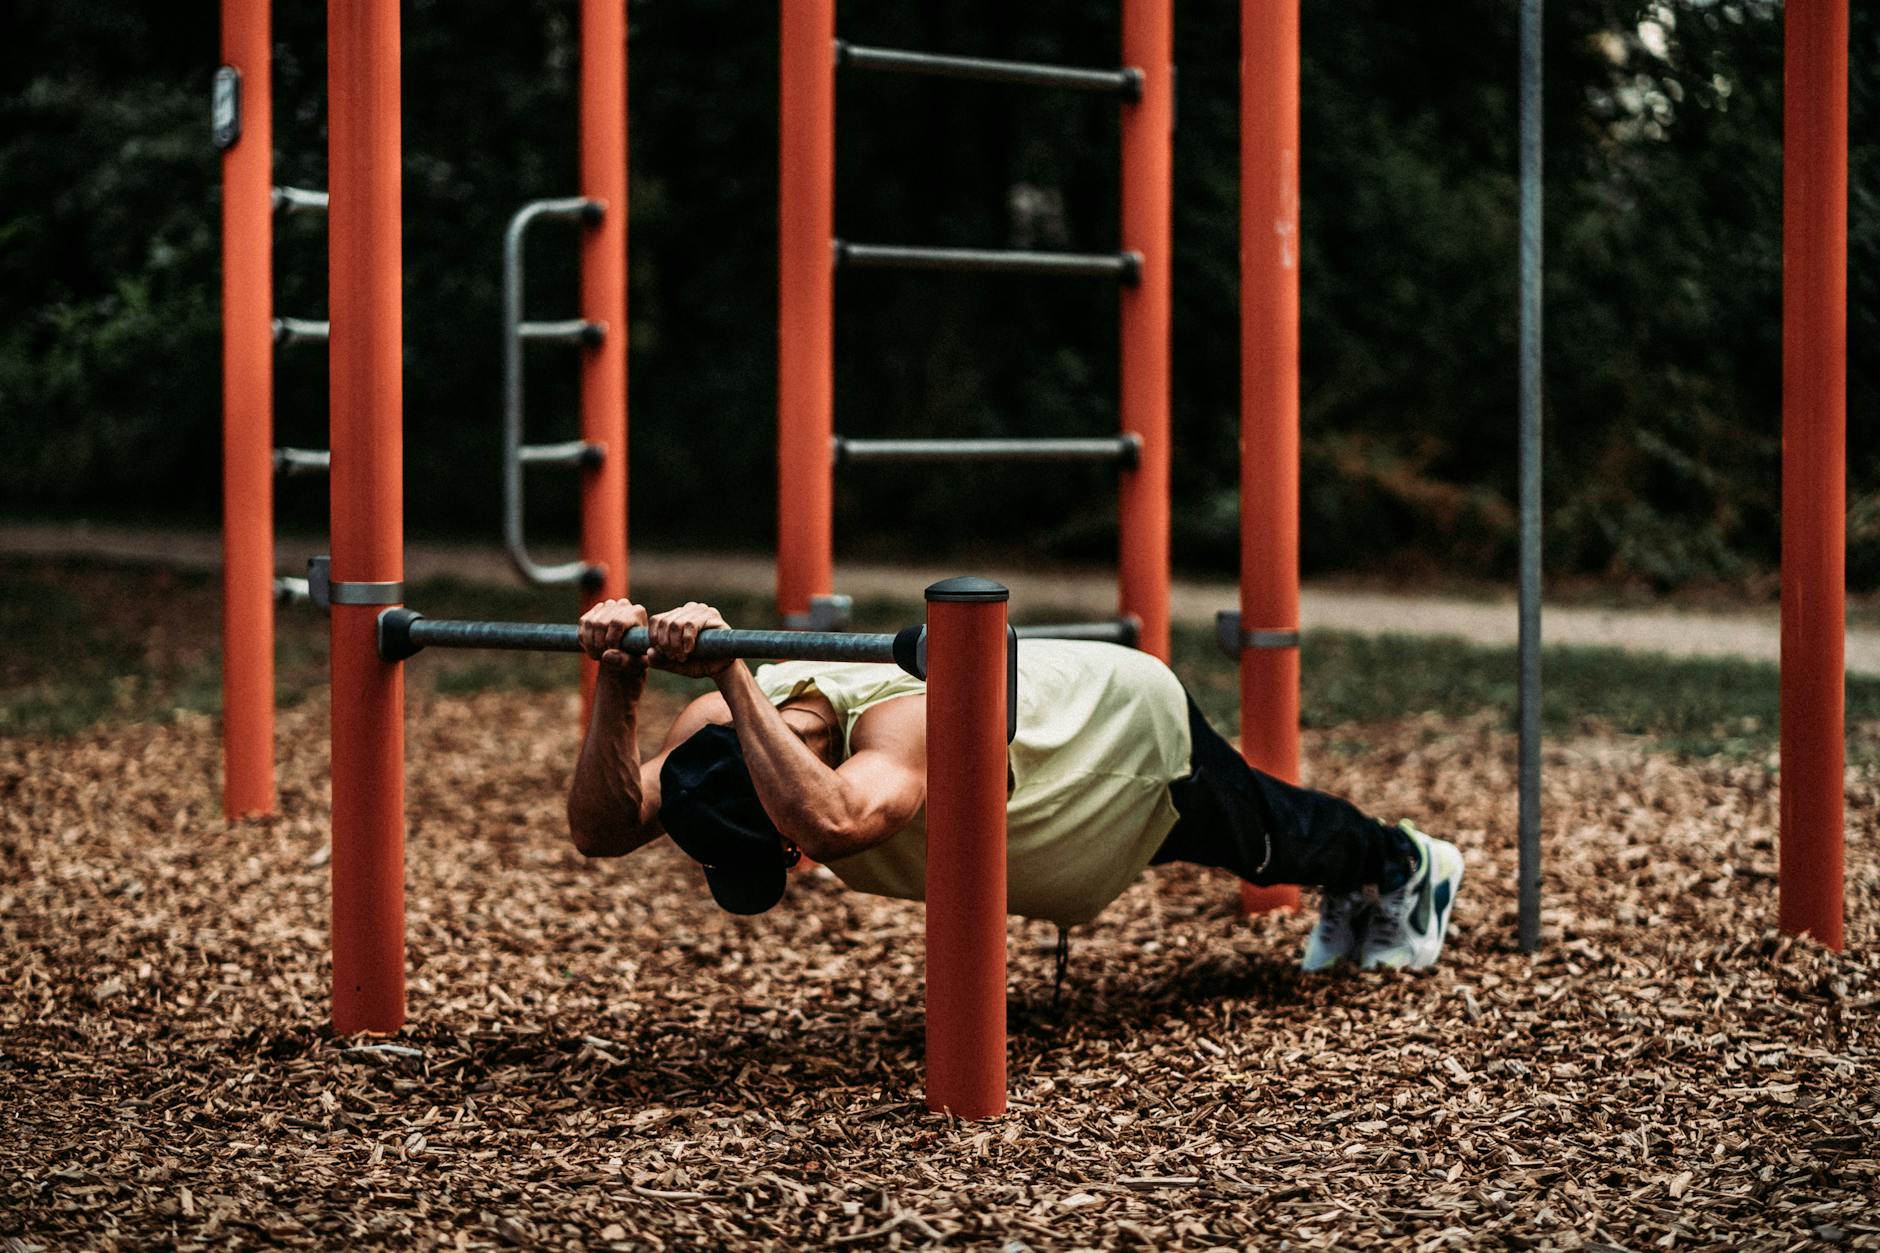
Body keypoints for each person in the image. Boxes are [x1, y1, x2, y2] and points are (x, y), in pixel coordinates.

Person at [567, 599, 1464, 971]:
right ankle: (1364, 873)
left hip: (1116, 746)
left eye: (781, 848)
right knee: (1269, 836)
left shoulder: (896, 726)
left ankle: (1404, 864)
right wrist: (619, 679)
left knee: (1272, 839)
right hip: (1055, 807)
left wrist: (729, 671)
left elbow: (836, 820)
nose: (797, 862)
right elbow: (603, 830)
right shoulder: (717, 740)